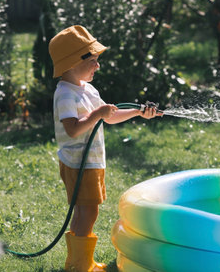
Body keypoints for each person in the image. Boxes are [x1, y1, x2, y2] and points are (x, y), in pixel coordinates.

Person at [49, 25, 161, 272]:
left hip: (90, 162)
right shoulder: (66, 94)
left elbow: (108, 117)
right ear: (72, 62)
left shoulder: (87, 89)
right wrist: (97, 114)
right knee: (88, 212)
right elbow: (73, 129)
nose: (98, 66)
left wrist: (138, 112)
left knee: (85, 211)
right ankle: (81, 265)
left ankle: (78, 263)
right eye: (93, 61)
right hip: (80, 163)